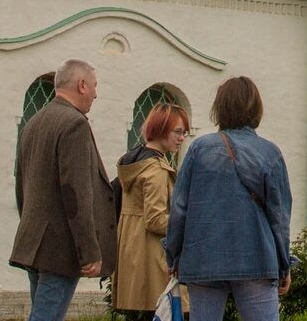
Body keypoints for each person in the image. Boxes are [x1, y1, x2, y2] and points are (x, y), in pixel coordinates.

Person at [163, 76, 294, 321]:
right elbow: (280, 217)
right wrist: (284, 264)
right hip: (256, 256)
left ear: (219, 108)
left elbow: (179, 209)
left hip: (203, 257)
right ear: (256, 108)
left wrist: (173, 256)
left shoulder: (199, 149)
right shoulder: (270, 153)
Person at [11, 59, 117, 321]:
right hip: (60, 247)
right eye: (94, 86)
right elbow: (76, 193)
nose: (96, 93)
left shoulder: (34, 122)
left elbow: (21, 186)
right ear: (82, 85)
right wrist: (90, 251)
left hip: (34, 241)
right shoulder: (74, 124)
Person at [113, 102, 191, 319]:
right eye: (177, 131)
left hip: (134, 255)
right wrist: (189, 224)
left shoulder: (136, 161)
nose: (182, 137)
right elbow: (155, 219)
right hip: (152, 260)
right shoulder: (155, 169)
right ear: (160, 129)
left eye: (184, 132)